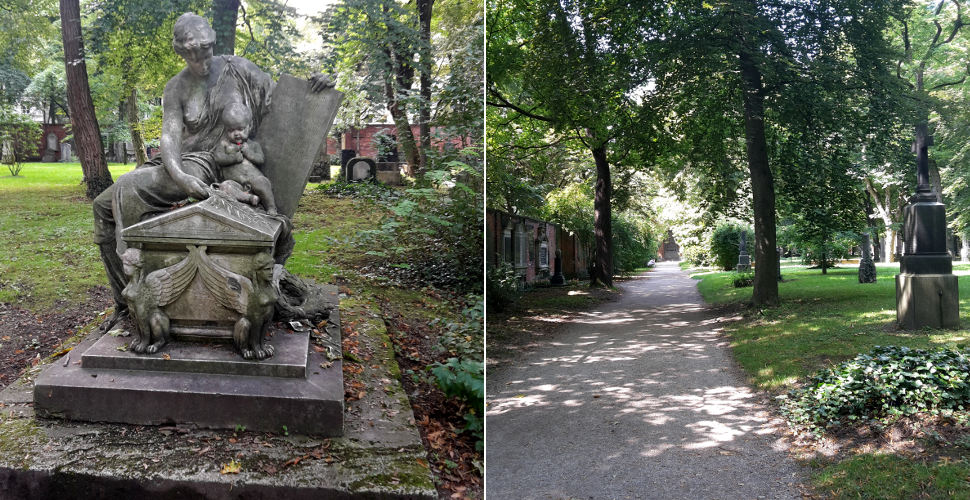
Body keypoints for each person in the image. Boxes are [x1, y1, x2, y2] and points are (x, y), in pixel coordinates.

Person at [93, 12, 332, 331]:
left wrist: (314, 87)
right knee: (101, 206)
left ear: (212, 43)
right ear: (180, 50)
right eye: (191, 53)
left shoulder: (238, 69)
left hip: (214, 162)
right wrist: (179, 176)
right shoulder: (176, 87)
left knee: (126, 188)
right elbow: (170, 137)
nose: (200, 59)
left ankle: (136, 287)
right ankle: (126, 301)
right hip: (183, 163)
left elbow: (280, 101)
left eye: (204, 50)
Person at [212, 103, 277, 215]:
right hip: (236, 185)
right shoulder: (224, 144)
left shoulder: (253, 145)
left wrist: (249, 153)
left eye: (241, 129)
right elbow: (218, 158)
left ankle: (271, 207)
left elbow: (260, 159)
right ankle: (249, 198)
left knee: (261, 181)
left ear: (249, 126)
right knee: (225, 186)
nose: (236, 133)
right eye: (231, 130)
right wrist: (234, 158)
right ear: (226, 130)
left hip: (254, 182)